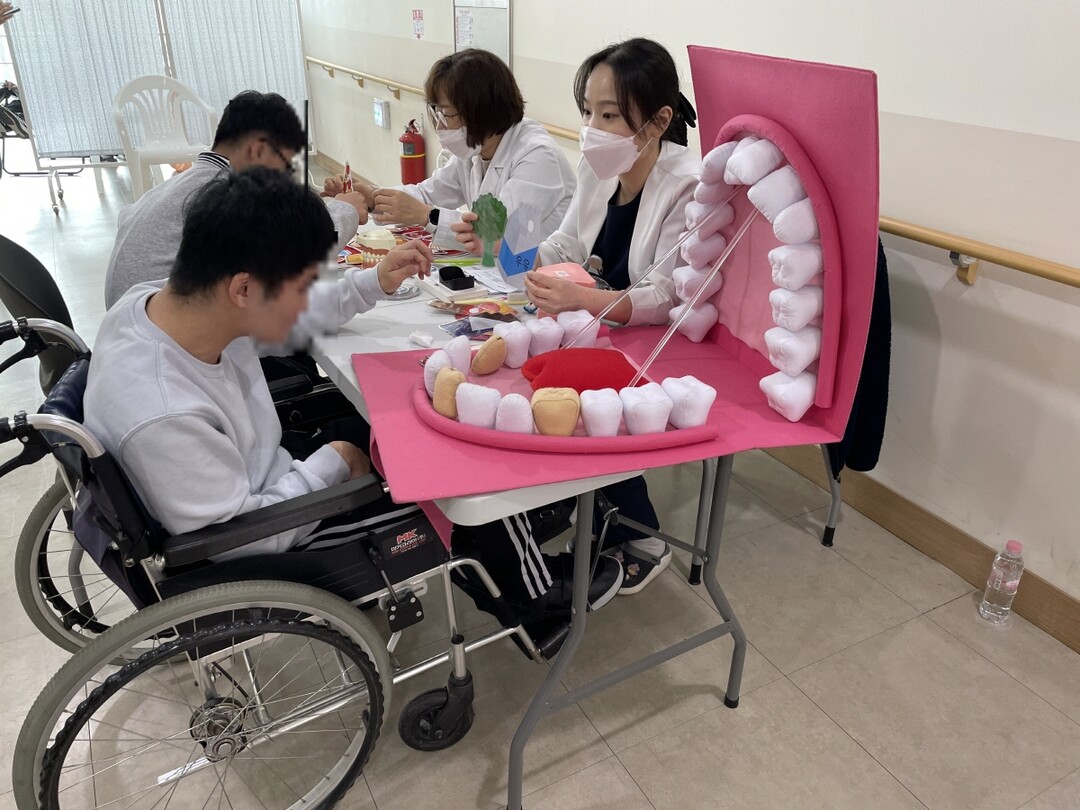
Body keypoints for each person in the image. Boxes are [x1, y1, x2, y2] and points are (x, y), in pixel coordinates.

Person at [85, 167, 622, 639]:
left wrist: (372, 283)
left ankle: (509, 540)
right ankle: (541, 607)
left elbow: (293, 312)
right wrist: (334, 462)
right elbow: (234, 543)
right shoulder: (164, 411)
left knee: (398, 420)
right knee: (451, 466)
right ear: (244, 289)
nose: (307, 296)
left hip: (260, 470)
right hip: (265, 534)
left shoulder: (158, 303)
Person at [527, 38, 702, 594]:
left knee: (588, 399)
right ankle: (575, 500)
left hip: (661, 337)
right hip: (603, 324)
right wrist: (518, 258)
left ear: (658, 121)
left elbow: (663, 297)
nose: (591, 130)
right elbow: (567, 244)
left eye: (608, 116)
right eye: (587, 112)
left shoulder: (688, 185)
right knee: (535, 372)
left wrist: (581, 300)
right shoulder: (599, 166)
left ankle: (644, 540)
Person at [103, 90, 367, 309]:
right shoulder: (224, 192)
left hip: (136, 326)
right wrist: (346, 210)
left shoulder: (175, 186)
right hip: (181, 339)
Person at [324, 48, 575, 245]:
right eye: (437, 113)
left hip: (541, 273)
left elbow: (497, 233)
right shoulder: (474, 150)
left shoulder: (537, 155)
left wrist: (426, 216)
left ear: (481, 110)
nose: (440, 126)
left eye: (446, 114)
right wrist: (372, 198)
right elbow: (428, 193)